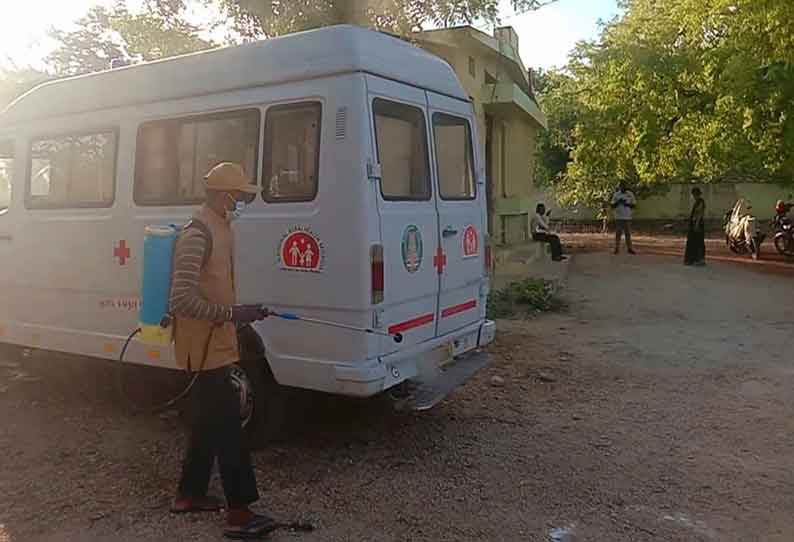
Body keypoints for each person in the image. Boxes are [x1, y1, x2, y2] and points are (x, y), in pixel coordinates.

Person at [168, 162, 274, 540]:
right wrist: (232, 313)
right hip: (203, 349)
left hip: (218, 342)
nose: (243, 199)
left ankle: (189, 495)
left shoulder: (221, 226)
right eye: (240, 194)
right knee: (230, 429)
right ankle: (240, 515)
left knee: (207, 423)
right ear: (222, 194)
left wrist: (242, 315)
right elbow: (181, 299)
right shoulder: (197, 233)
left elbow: (215, 286)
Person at [611, 183, 637, 254]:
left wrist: (626, 204)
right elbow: (612, 206)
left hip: (627, 216)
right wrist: (619, 202)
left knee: (627, 233)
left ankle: (630, 248)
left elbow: (634, 205)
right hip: (618, 216)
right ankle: (616, 248)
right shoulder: (616, 195)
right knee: (618, 233)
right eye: (621, 187)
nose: (623, 188)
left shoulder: (630, 194)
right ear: (619, 187)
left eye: (624, 186)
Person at [684, 187, 706, 266]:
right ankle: (693, 259)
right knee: (693, 241)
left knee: (697, 241)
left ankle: (699, 259)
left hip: (697, 223)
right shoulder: (697, 202)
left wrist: (696, 224)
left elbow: (699, 213)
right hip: (694, 223)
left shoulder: (700, 202)